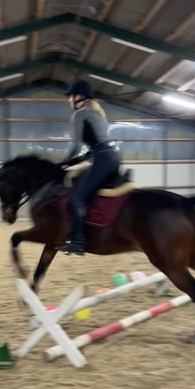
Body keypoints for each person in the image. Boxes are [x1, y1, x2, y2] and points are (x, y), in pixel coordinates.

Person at [58, 78, 121, 256]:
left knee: (77, 198)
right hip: (113, 157)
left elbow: (76, 145)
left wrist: (63, 162)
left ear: (79, 97)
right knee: (90, 193)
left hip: (103, 159)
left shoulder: (79, 114)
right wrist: (75, 161)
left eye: (71, 97)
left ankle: (77, 242)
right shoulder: (99, 114)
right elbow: (95, 147)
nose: (69, 100)